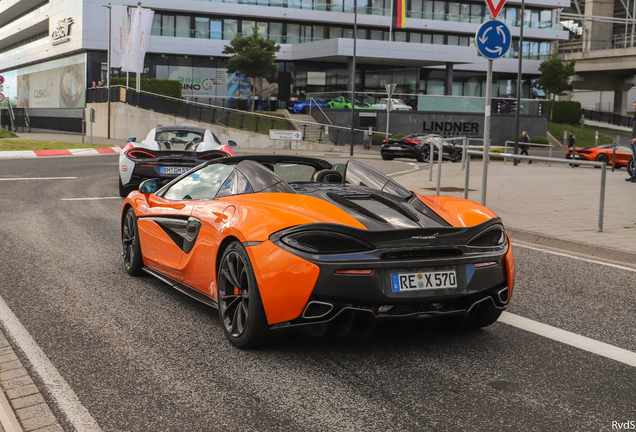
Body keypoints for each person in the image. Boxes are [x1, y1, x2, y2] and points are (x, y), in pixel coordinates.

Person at [628, 101, 636, 182]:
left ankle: (635, 176)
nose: (634, 107)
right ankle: (633, 176)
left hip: (635, 139)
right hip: (633, 139)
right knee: (634, 158)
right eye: (634, 105)